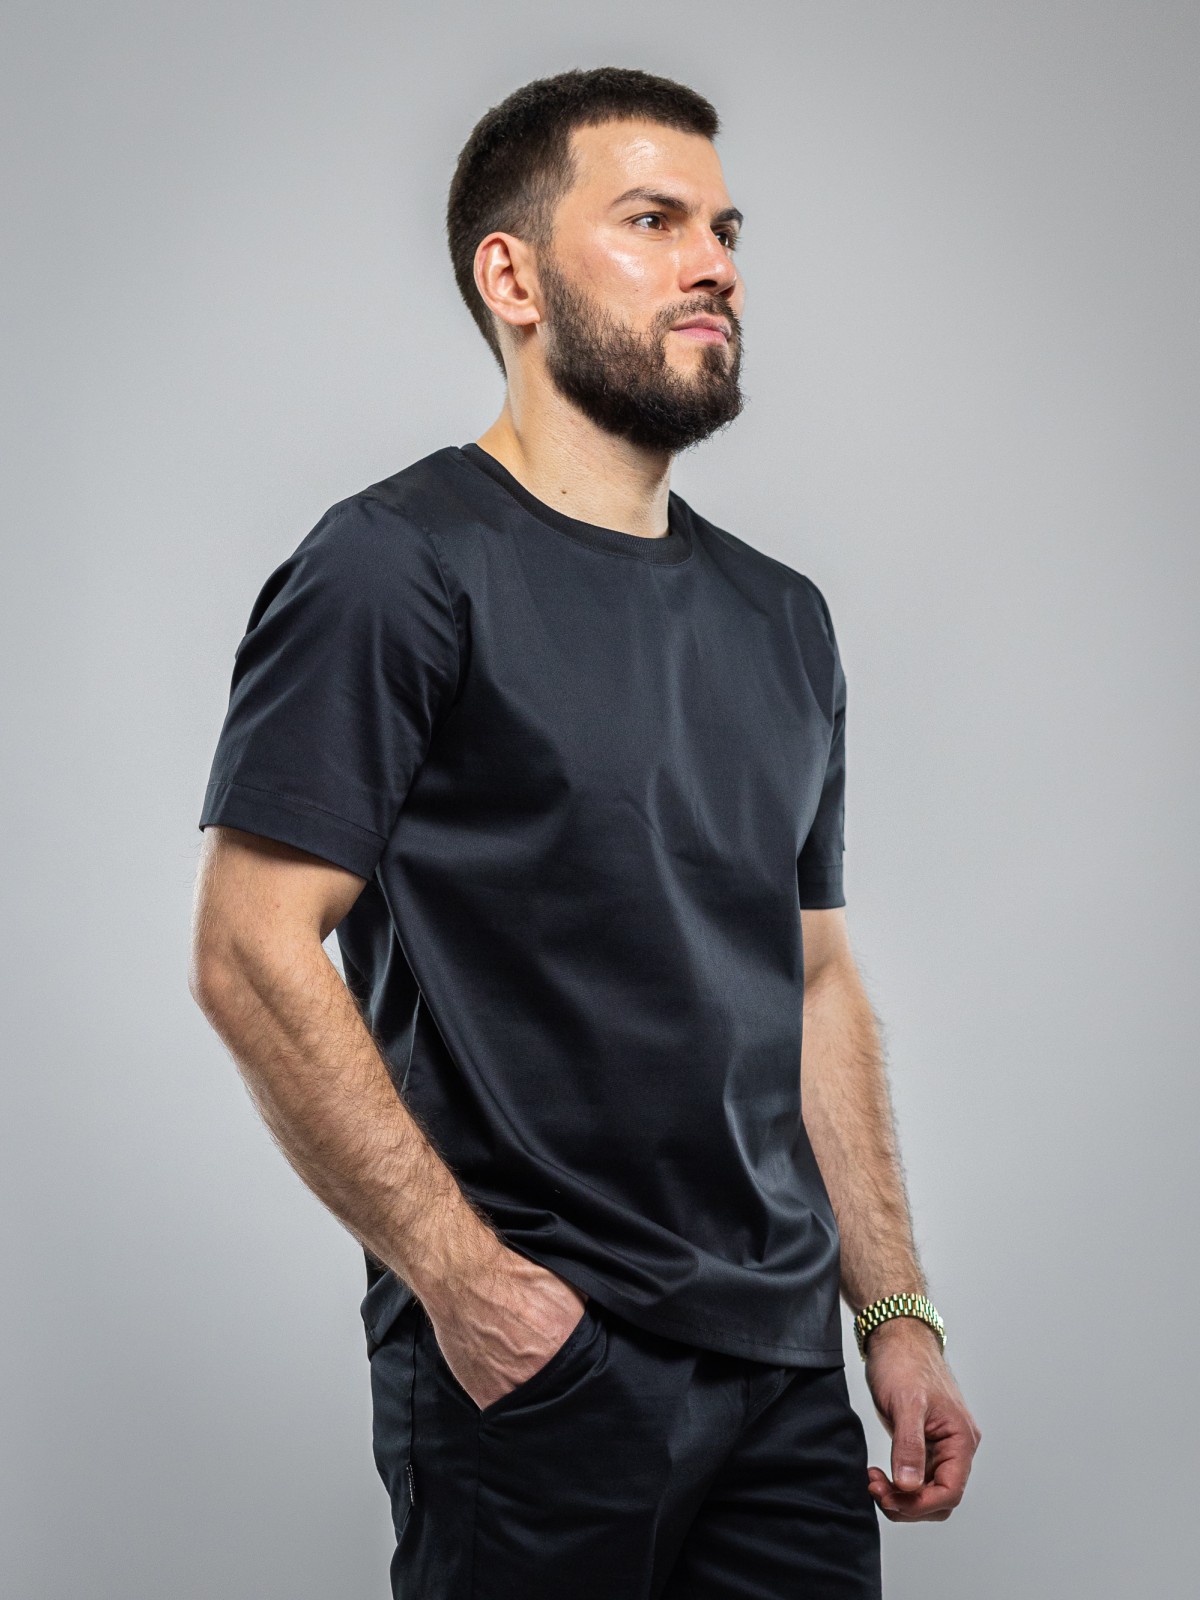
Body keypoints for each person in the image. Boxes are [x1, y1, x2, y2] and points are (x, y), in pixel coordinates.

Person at [189, 64, 981, 1600]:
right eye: (652, 220)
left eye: (725, 229)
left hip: (785, 1379)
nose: (716, 263)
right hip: (546, 1373)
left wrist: (893, 1316)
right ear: (515, 278)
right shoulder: (395, 565)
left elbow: (815, 980)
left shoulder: (783, 618)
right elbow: (248, 947)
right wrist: (467, 1285)